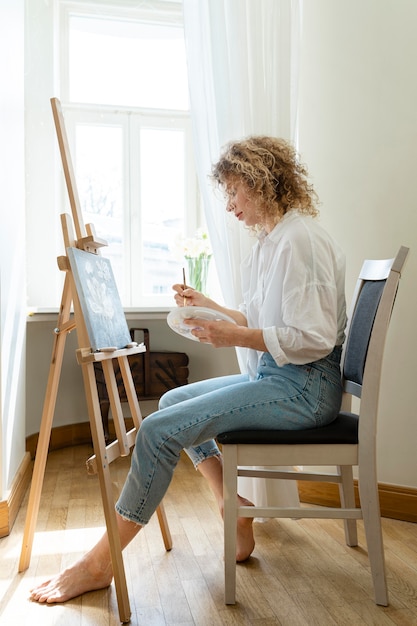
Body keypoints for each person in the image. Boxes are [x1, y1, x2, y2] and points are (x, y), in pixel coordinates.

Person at [30, 136, 347, 604]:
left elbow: (314, 339)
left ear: (261, 182)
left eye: (235, 192)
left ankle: (100, 564)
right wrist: (211, 309)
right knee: (174, 400)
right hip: (282, 377)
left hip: (307, 387)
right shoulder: (273, 241)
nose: (230, 206)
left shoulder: (301, 241)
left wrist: (233, 337)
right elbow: (262, 324)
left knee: (158, 430)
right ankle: (230, 504)